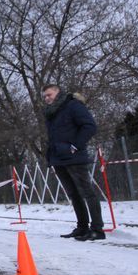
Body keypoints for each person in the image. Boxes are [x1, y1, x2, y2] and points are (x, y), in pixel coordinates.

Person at [42, 84, 105, 241]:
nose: (46, 98)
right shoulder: (52, 113)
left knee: (86, 191)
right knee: (73, 194)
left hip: (74, 157)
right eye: (44, 96)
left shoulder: (73, 106)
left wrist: (75, 146)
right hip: (58, 158)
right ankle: (82, 227)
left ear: (58, 92)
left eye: (49, 95)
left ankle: (97, 229)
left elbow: (89, 126)